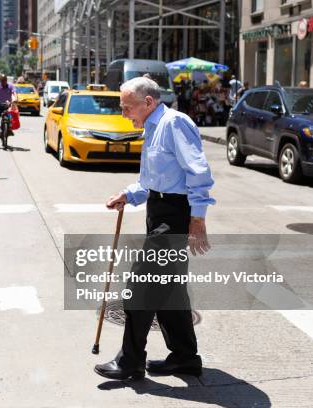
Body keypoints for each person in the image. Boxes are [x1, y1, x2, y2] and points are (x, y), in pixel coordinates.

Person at [95, 76, 215, 381]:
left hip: (174, 216)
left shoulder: (175, 124)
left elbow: (198, 173)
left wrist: (197, 220)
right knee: (170, 291)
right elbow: (153, 180)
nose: (124, 115)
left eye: (127, 108)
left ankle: (130, 360)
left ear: (148, 102)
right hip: (159, 211)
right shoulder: (151, 127)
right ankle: (185, 358)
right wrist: (130, 195)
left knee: (141, 287)